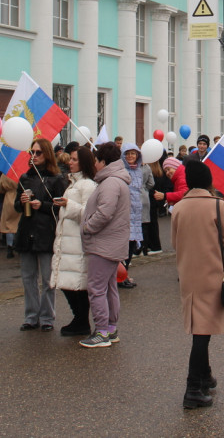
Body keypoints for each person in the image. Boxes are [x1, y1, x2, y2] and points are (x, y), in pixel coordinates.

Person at [171, 160, 224, 409]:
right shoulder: (217, 206)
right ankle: (193, 388)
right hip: (211, 274)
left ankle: (205, 375)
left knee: (200, 328)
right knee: (202, 333)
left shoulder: (178, 207)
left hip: (188, 274)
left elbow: (175, 242)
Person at [79, 142, 131, 348]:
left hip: (104, 243)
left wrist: (87, 227)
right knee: (109, 287)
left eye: (96, 160)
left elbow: (104, 213)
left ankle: (101, 331)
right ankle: (110, 328)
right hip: (111, 243)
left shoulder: (110, 183)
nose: (94, 164)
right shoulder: (117, 181)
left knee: (97, 288)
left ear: (103, 161)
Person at [15, 138, 68, 332]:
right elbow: (15, 206)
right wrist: (22, 202)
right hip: (27, 232)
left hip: (46, 234)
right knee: (28, 278)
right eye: (32, 152)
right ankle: (31, 316)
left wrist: (43, 206)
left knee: (47, 279)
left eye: (38, 152)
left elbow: (61, 206)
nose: (34, 156)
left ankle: (47, 317)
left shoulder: (56, 179)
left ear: (47, 154)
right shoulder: (24, 178)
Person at [50, 146, 98, 337]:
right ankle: (79, 318)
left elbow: (89, 213)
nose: (70, 162)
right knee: (68, 282)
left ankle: (81, 320)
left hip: (77, 242)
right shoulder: (73, 183)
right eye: (70, 159)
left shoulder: (87, 185)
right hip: (68, 240)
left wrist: (68, 204)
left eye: (74, 159)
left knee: (77, 284)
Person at [120, 142, 154, 286]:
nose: (130, 156)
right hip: (124, 213)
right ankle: (121, 277)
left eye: (133, 154)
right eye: (127, 154)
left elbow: (147, 185)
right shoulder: (121, 171)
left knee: (132, 245)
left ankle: (124, 273)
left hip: (136, 213)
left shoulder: (140, 171)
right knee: (123, 246)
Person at [145, 158, 169, 252]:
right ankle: (155, 246)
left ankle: (151, 246)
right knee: (153, 223)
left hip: (150, 199)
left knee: (148, 224)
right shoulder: (160, 172)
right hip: (156, 200)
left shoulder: (148, 171)